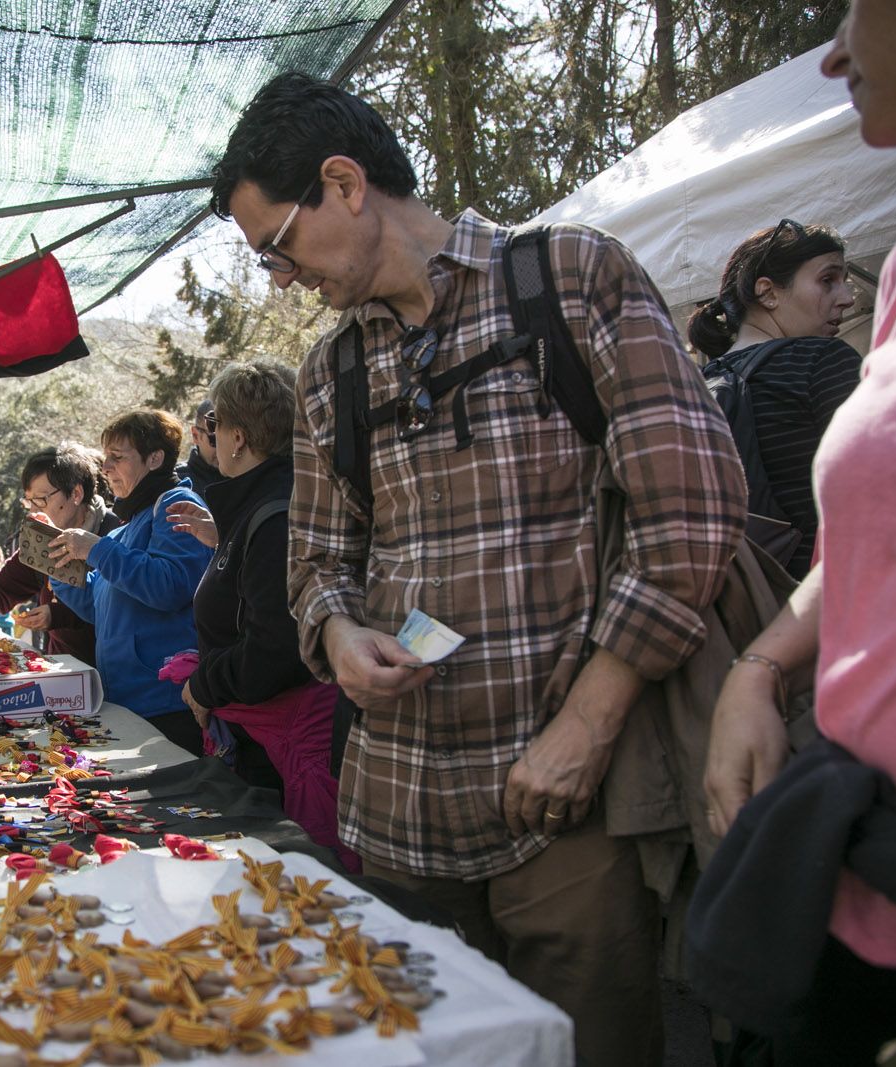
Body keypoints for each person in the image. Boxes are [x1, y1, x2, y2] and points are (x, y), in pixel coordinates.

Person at [212, 73, 746, 1064]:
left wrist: (587, 725)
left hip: (561, 806)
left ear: (344, 184)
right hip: (399, 810)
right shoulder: (330, 373)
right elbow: (316, 561)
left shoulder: (570, 279)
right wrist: (339, 631)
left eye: (276, 245)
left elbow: (689, 514)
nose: (278, 277)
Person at [694, 5, 896, 1063]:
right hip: (859, 875)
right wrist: (757, 670)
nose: (834, 49)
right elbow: (866, 543)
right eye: (825, 282)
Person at [167, 362, 352, 865]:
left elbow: (275, 648)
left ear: (238, 438)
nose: (211, 436)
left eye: (214, 424)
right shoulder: (265, 506)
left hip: (284, 758)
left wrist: (204, 685)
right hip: (264, 744)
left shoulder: (277, 514)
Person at [688, 222, 862, 578]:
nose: (847, 297)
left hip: (742, 596)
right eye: (828, 280)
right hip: (829, 592)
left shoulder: (696, 384)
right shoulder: (822, 360)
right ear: (768, 293)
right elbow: (884, 491)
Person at [46, 410, 215, 753]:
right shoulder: (126, 528)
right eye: (106, 457)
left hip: (165, 700)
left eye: (118, 457)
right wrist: (57, 566)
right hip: (128, 699)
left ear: (155, 459)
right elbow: (98, 608)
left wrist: (96, 550)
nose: (106, 467)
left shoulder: (177, 504)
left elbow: (169, 586)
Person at [0, 444, 121, 663]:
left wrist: (58, 615)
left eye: (41, 499)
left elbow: (119, 607)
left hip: (110, 671)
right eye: (29, 501)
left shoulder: (117, 533)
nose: (33, 510)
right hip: (65, 668)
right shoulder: (43, 538)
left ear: (76, 493)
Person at [178, 398, 223, 494]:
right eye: (214, 439)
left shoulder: (248, 480)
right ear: (196, 435)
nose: (224, 448)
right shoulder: (178, 483)